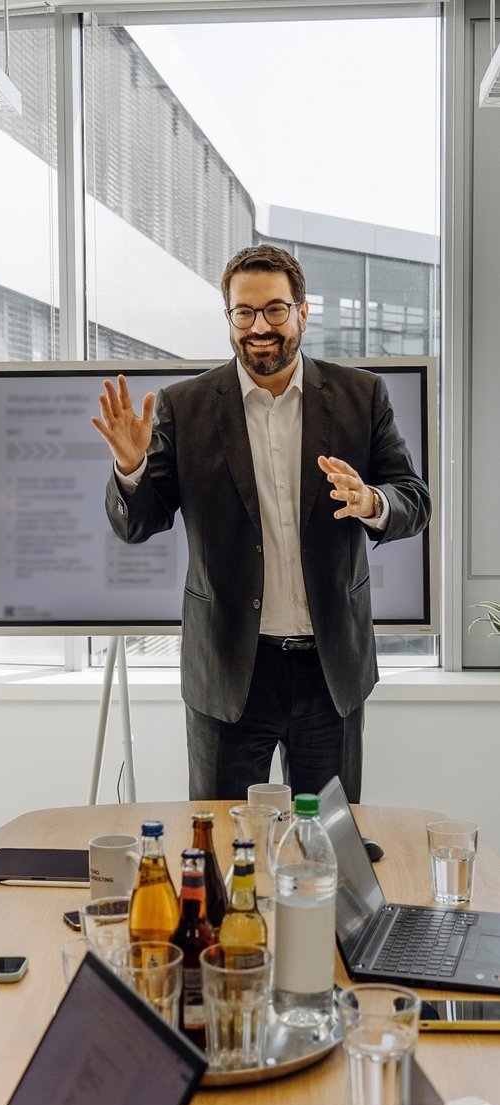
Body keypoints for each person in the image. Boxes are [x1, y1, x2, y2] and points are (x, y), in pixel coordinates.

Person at [92, 243, 431, 802]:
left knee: (329, 847)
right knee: (224, 854)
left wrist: (370, 501)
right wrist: (131, 468)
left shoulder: (361, 395)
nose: (259, 327)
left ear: (302, 311)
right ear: (229, 318)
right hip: (229, 672)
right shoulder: (187, 405)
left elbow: (414, 500)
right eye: (243, 313)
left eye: (274, 309)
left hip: (330, 672)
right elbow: (139, 523)